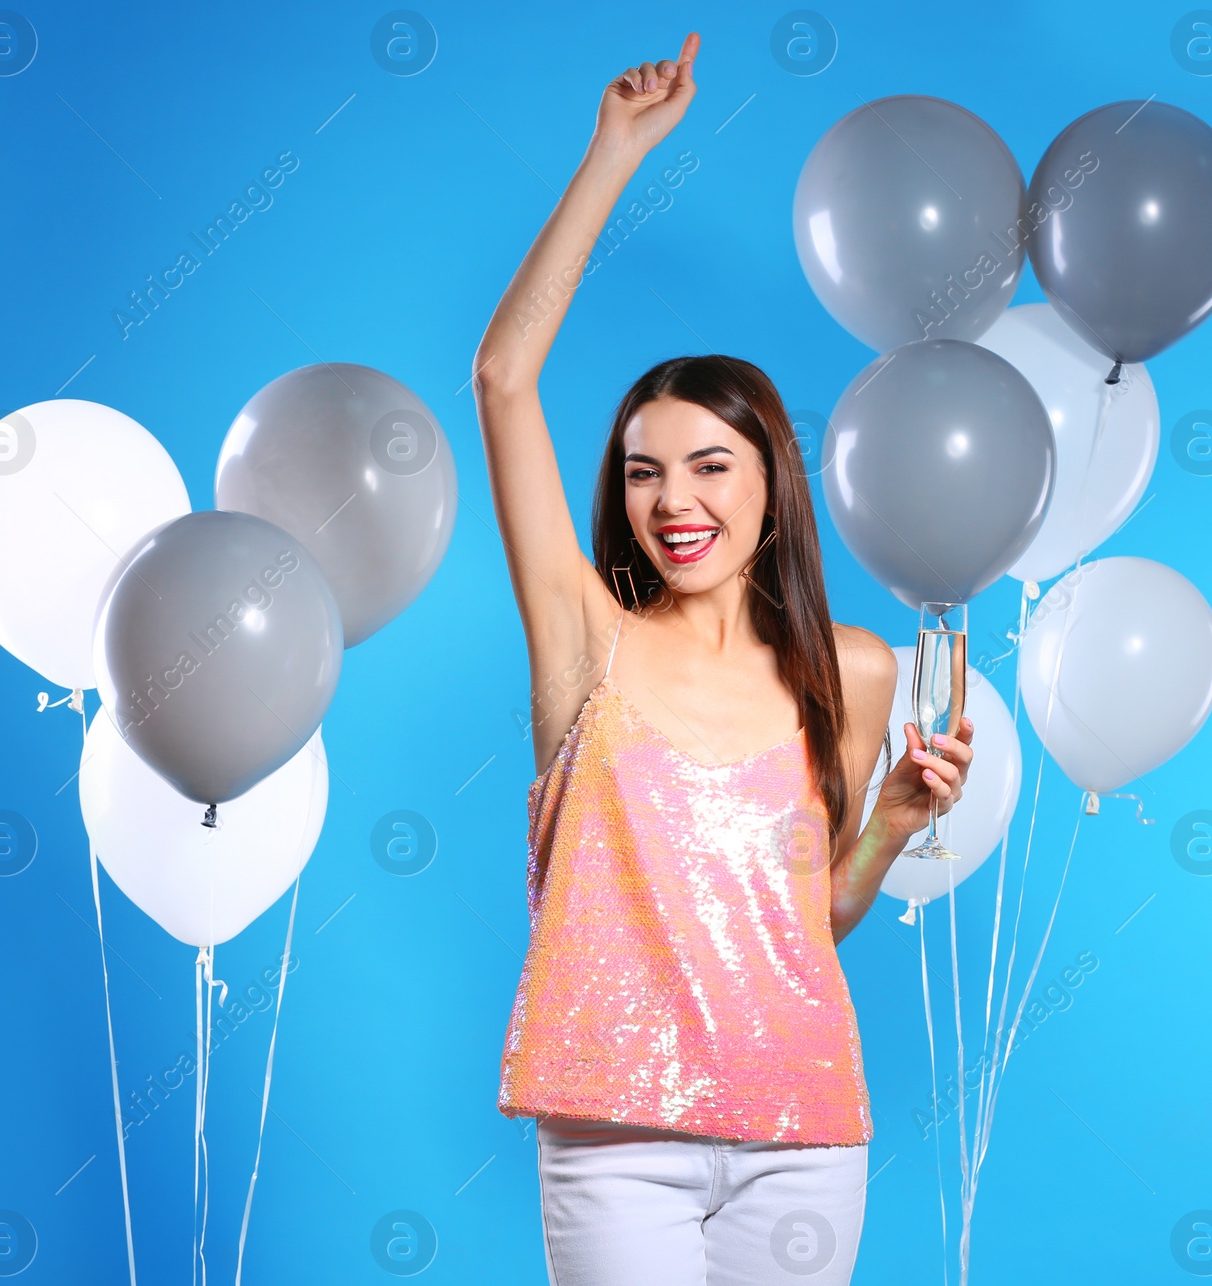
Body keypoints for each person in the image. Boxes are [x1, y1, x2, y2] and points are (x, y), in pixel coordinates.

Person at [471, 32, 975, 1286]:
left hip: (803, 1131)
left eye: (709, 465)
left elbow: (812, 920)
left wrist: (895, 824)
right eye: (643, 470)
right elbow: (501, 377)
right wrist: (614, 153)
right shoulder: (585, 642)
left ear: (771, 489)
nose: (672, 498)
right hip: (614, 1133)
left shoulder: (849, 669)